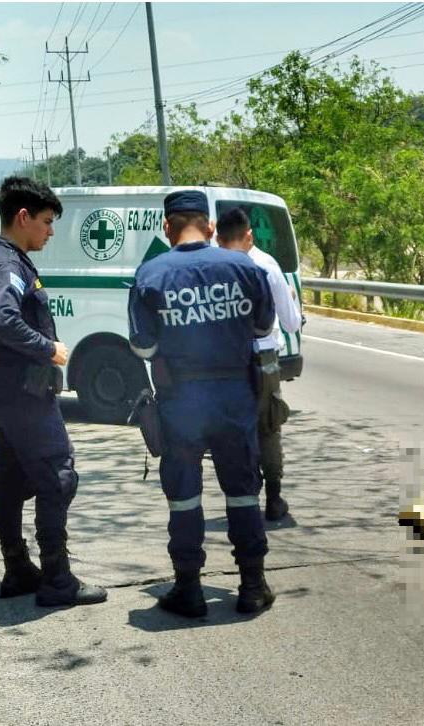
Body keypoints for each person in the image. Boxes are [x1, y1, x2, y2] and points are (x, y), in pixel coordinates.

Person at [128, 190, 277, 618]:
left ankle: (189, 589)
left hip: (182, 401)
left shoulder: (151, 274)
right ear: (209, 227)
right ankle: (252, 585)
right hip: (235, 395)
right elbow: (263, 325)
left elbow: (142, 346)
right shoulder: (243, 266)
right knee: (244, 491)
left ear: (166, 228)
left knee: (184, 497)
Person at [0, 176, 106, 607]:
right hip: (23, 389)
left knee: (8, 480)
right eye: (46, 221)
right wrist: (48, 348)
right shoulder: (7, 266)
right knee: (57, 476)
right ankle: (57, 580)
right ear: (22, 217)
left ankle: (17, 569)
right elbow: (1, 318)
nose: (50, 230)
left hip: (7, 386)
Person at [215, 207, 302, 521]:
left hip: (226, 362)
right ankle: (274, 499)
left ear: (217, 235)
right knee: (268, 426)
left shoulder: (213, 267)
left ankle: (242, 499)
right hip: (264, 361)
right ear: (249, 234)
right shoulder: (266, 265)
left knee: (233, 428)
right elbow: (291, 323)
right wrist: (290, 299)